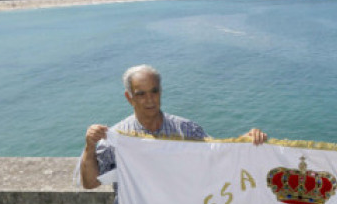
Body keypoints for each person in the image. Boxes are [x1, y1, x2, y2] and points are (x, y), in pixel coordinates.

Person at [80, 64, 267, 190]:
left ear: (161, 91)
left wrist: (246, 141)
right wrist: (90, 146)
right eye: (141, 94)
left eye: (154, 91)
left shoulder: (186, 130)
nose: (150, 100)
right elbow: (89, 183)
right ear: (130, 98)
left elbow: (217, 156)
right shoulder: (118, 138)